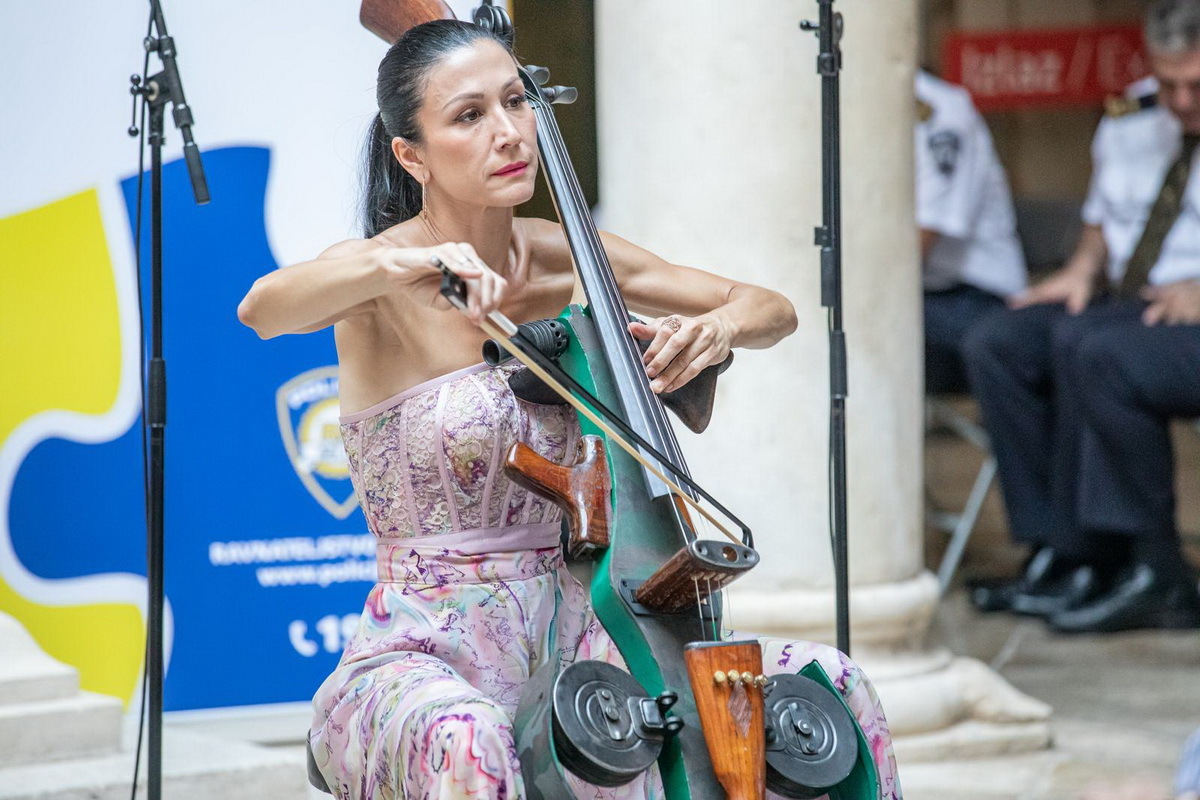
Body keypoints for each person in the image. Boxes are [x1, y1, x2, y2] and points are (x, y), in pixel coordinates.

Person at [237, 20, 901, 800]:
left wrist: (715, 329)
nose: (510, 131)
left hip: (590, 630)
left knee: (835, 687)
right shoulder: (376, 280)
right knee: (471, 737)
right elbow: (263, 309)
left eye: (517, 102)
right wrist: (404, 259)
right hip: (427, 646)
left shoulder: (562, 254)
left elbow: (770, 307)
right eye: (469, 115)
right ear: (410, 155)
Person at [963, 0, 1200, 633]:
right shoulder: (1131, 116)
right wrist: (1080, 269)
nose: (1180, 101)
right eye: (1170, 81)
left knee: (1098, 351)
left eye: (1195, 86)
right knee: (1001, 341)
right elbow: (1104, 220)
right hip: (1132, 301)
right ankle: (1061, 550)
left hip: (1187, 313)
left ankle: (1154, 567)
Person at [916, 69, 1026, 395]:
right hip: (923, 294)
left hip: (974, 296)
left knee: (825, 321)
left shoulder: (939, 111)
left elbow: (920, 240)